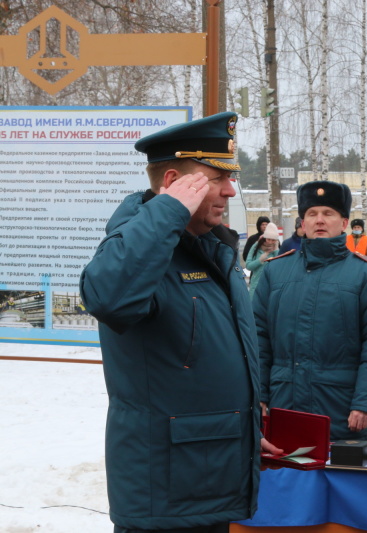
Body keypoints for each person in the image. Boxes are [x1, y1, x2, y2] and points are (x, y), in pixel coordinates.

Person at [79, 112, 279, 532]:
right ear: (172, 183)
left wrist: (241, 432)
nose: (230, 190)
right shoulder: (140, 247)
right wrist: (166, 212)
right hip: (167, 488)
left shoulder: (209, 250)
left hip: (207, 471)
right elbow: (107, 297)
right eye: (215, 178)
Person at [253, 181, 367, 441]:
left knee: (340, 479)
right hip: (282, 406)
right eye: (312, 214)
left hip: (340, 412)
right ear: (303, 222)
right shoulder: (275, 272)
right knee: (286, 479)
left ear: (344, 223)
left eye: (328, 213)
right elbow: (259, 337)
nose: (319, 220)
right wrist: (260, 394)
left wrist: (366, 403)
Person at [246, 222, 280, 298]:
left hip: (270, 286)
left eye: (273, 240)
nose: (270, 242)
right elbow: (248, 266)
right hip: (255, 286)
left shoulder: (276, 249)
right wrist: (260, 260)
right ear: (265, 237)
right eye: (269, 239)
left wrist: (276, 250)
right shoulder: (256, 246)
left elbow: (279, 267)